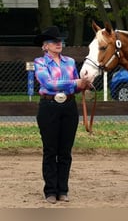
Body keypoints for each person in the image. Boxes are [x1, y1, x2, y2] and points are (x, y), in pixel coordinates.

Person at [34, 26, 90, 204]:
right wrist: (75, 82)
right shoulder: (40, 63)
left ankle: (63, 190)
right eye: (53, 41)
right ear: (45, 46)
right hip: (48, 106)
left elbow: (74, 86)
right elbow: (48, 83)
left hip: (68, 107)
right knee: (50, 150)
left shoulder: (70, 62)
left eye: (60, 41)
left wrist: (83, 84)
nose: (58, 43)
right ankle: (50, 190)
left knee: (65, 151)